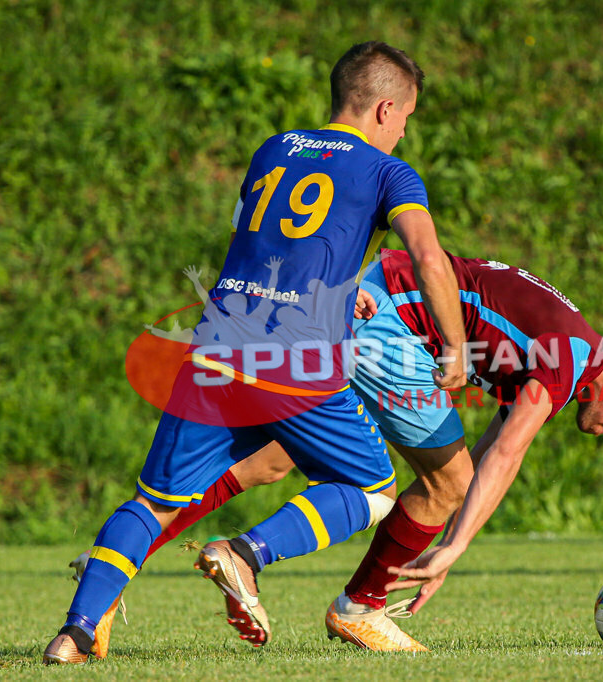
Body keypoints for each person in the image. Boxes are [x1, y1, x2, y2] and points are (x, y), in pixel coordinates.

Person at [43, 41, 467, 664]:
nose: (404, 130)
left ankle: (73, 633)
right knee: (371, 488)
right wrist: (454, 347)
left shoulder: (275, 149)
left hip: (217, 343)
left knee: (155, 502)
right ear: (383, 109)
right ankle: (244, 553)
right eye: (406, 116)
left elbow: (278, 246)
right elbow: (428, 258)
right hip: (293, 360)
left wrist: (342, 295)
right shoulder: (388, 173)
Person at [80, 248, 603, 654]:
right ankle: (357, 604)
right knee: (440, 483)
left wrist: (449, 545)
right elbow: (505, 455)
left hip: (360, 305)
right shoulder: (571, 357)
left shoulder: (570, 348)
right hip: (382, 321)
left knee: (272, 459)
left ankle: (110, 572)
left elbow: (492, 440)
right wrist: (453, 545)